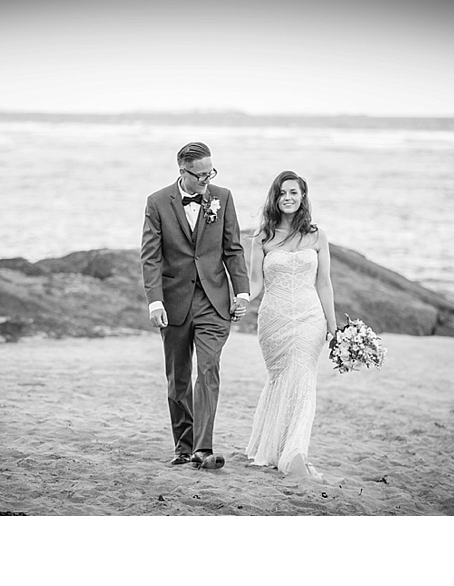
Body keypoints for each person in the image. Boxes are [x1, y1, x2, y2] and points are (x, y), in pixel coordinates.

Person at [141, 142, 249, 469]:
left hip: (213, 300)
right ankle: (183, 447)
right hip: (174, 303)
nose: (206, 180)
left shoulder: (223, 197)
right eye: (200, 175)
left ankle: (203, 448)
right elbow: (150, 257)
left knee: (208, 370)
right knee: (178, 379)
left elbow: (233, 248)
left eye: (210, 173)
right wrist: (155, 302)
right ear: (182, 171)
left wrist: (241, 292)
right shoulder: (157, 203)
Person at [244, 170, 337, 479]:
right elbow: (256, 284)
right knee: (282, 380)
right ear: (275, 197)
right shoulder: (262, 238)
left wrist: (334, 328)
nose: (288, 197)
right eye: (282, 192)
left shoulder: (317, 236)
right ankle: (277, 448)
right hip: (274, 320)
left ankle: (296, 452)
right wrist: (242, 299)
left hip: (311, 319)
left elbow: (324, 284)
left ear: (302, 196)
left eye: (294, 192)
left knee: (303, 380)